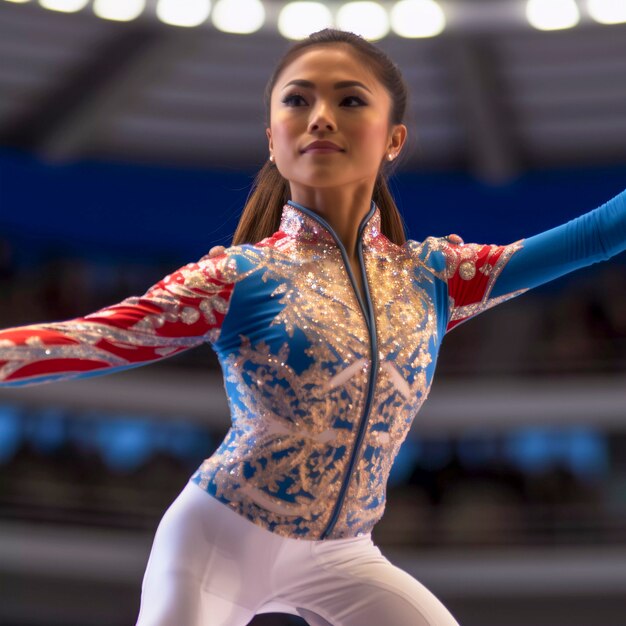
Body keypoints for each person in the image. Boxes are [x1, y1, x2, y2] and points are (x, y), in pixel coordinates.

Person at [0, 28, 625, 626]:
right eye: (298, 101)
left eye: (350, 100)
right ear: (273, 138)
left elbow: (597, 235)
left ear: (394, 139)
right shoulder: (238, 279)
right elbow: (88, 339)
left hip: (343, 554)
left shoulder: (435, 277)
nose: (321, 116)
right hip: (219, 540)